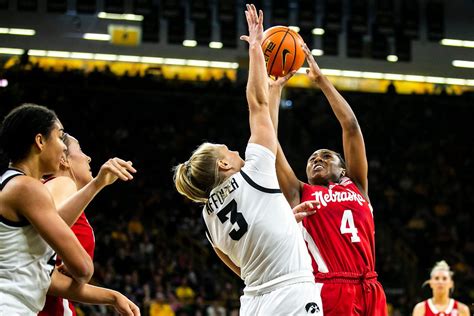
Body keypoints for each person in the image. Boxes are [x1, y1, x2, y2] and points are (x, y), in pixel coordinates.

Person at [173, 5, 322, 315]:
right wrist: (256, 48)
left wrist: (283, 221)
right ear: (223, 165)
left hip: (254, 301)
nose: (236, 151)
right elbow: (257, 105)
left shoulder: (209, 216)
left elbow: (240, 266)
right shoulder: (254, 172)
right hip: (291, 292)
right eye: (228, 150)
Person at [269, 43, 387, 315]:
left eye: (326, 155)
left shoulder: (357, 184)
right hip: (330, 288)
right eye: (312, 158)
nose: (317, 159)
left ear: (343, 169)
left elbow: (351, 127)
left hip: (370, 286)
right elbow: (270, 145)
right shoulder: (300, 191)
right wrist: (275, 92)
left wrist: (321, 81)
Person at [0, 103, 139, 315]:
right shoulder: (28, 188)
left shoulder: (13, 185)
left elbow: (46, 276)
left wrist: (112, 296)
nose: (63, 147)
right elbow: (84, 268)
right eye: (59, 136)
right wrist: (78, 266)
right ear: (40, 141)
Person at [39, 133, 135, 315]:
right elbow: (44, 233)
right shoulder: (62, 182)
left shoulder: (55, 195)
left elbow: (46, 275)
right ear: (63, 160)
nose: (88, 157)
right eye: (81, 150)